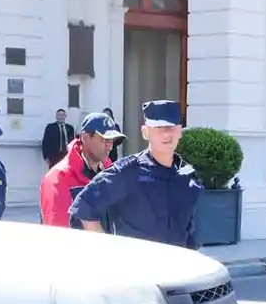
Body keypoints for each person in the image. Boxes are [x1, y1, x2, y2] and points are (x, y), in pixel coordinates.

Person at [69, 100, 202, 248]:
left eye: (171, 128)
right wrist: (105, 252)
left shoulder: (186, 178)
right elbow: (84, 207)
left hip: (177, 268)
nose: (166, 134)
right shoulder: (127, 173)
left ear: (179, 132)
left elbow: (190, 236)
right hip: (136, 268)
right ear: (145, 132)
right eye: (158, 128)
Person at [38, 112, 124, 227]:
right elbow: (58, 232)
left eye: (112, 140)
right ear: (85, 137)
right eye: (104, 139)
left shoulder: (112, 175)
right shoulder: (58, 178)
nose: (110, 146)